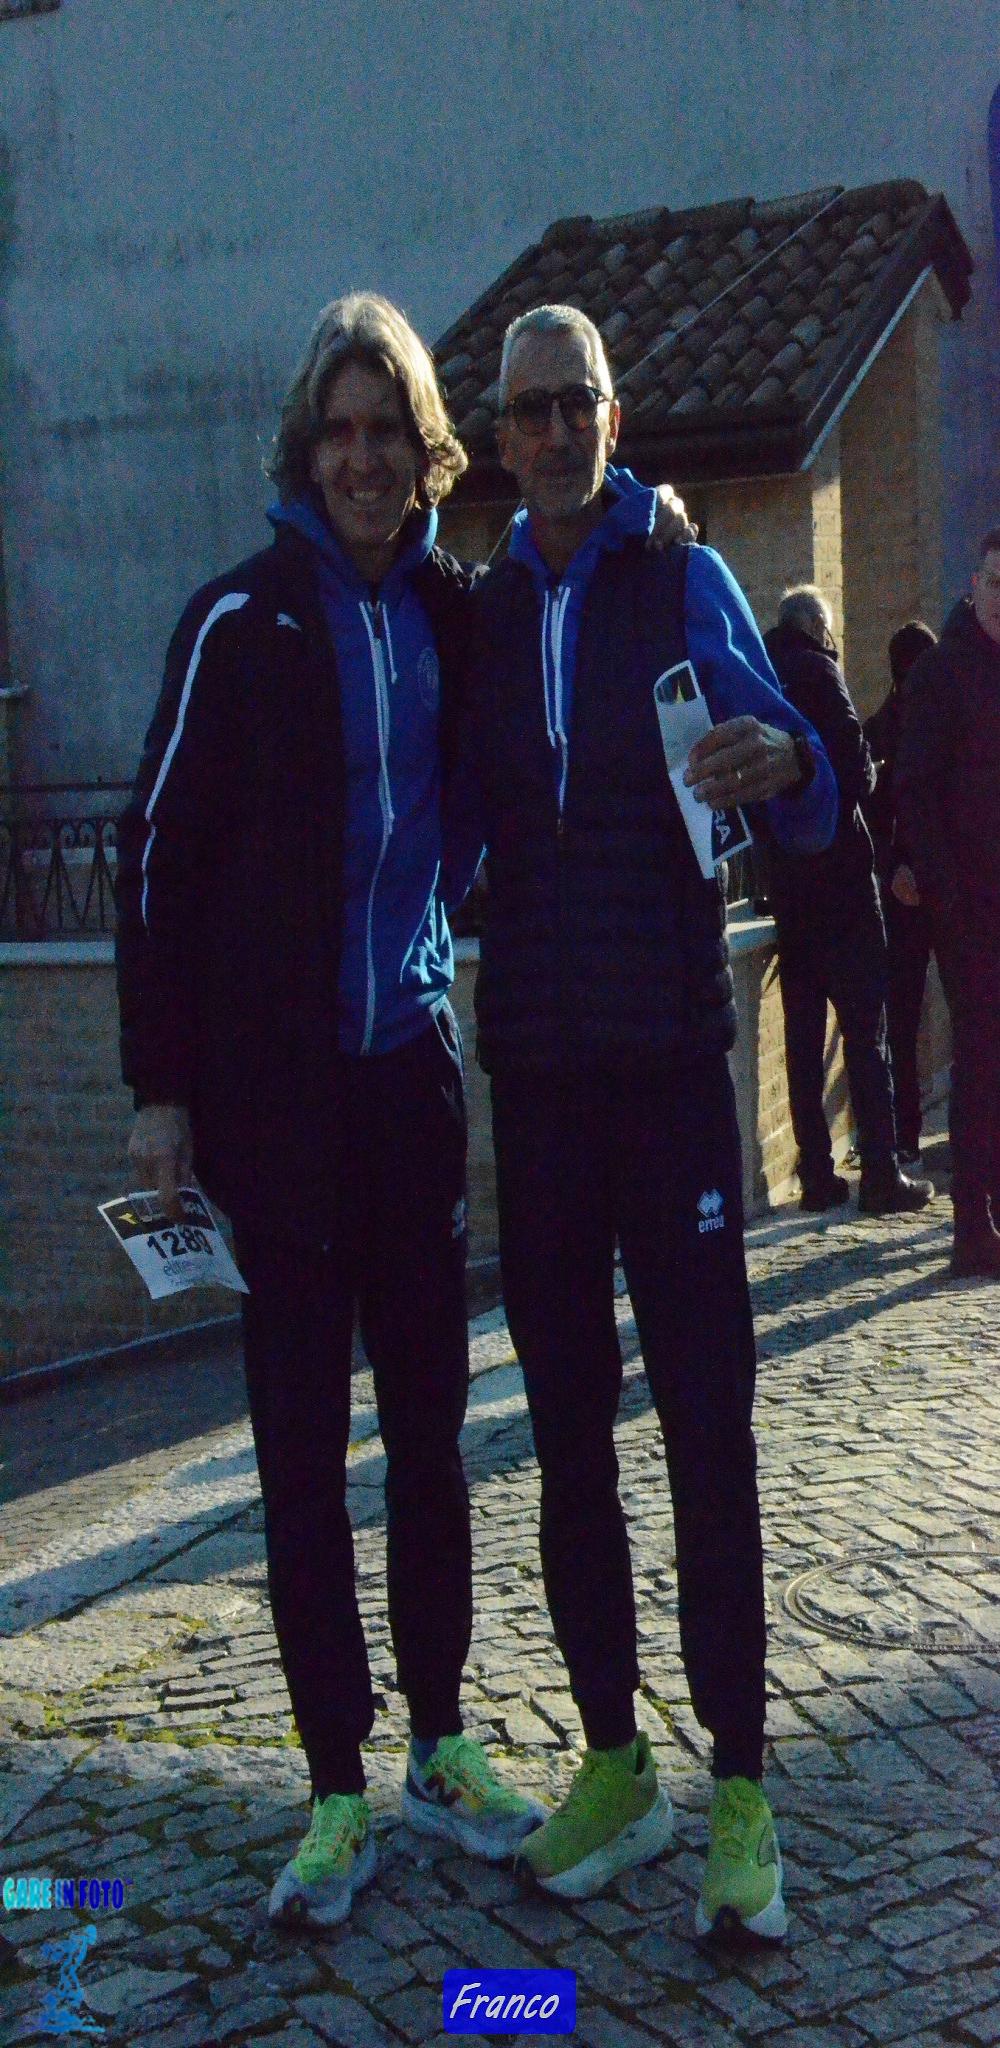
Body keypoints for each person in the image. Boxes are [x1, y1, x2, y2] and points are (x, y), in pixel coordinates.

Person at [114, 290, 691, 1930]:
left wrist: (655, 520)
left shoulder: (456, 610)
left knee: (431, 1442)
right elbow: (155, 867)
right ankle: (334, 1787)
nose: (364, 459)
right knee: (304, 1459)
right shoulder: (240, 623)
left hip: (411, 1090)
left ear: (431, 454)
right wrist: (162, 1092)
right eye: (340, 433)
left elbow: (578, 594)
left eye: (389, 432)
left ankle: (441, 1742)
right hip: (275, 1116)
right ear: (308, 452)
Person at [452, 302, 840, 1942]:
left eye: (579, 403)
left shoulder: (685, 577)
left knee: (706, 1435)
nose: (555, 431)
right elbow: (426, 819)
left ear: (616, 419)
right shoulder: (479, 617)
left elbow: (809, 776)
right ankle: (615, 1762)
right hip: (538, 1086)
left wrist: (790, 766)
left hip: (674, 1076)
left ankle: (741, 1787)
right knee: (566, 1444)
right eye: (529, 409)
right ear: (500, 436)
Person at [762, 588, 933, 1215]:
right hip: (841, 883)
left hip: (788, 884)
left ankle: (816, 1173)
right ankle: (882, 1173)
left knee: (803, 1039)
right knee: (866, 1031)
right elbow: (857, 768)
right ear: (816, 628)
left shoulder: (758, 675)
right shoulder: (818, 670)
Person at [895, 529, 1000, 1278]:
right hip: (969, 906)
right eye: (998, 583)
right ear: (975, 584)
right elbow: (915, 791)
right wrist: (946, 896)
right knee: (980, 1058)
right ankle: (972, 1222)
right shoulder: (942, 672)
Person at [863, 621, 938, 1173]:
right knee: (911, 1017)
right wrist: (899, 870)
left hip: (914, 890)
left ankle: (906, 1134)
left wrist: (894, 869)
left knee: (904, 1019)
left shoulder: (880, 730)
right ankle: (910, 1133)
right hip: (921, 891)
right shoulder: (915, 728)